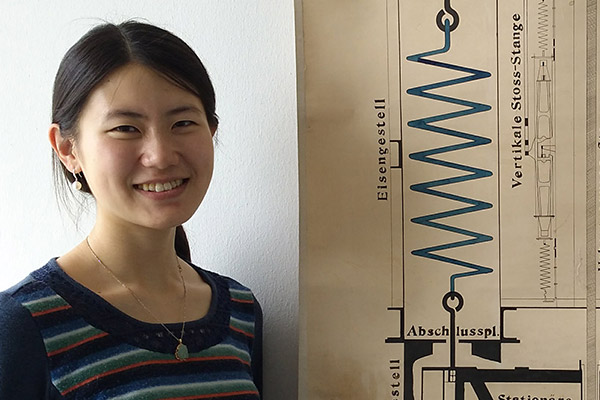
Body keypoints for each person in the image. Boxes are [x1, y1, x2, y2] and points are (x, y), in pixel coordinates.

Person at [0, 21, 262, 399]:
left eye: (183, 122)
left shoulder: (241, 312)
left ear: (212, 129)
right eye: (125, 128)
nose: (160, 155)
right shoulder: (23, 324)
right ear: (68, 149)